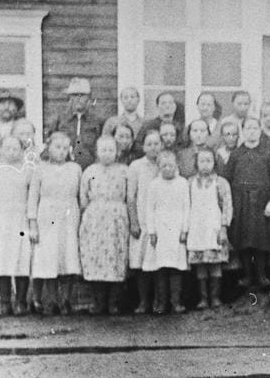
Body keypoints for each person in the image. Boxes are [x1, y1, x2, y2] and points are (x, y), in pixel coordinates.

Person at [222, 118, 270, 288]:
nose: (252, 132)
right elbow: (226, 179)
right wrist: (230, 204)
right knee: (243, 239)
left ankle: (262, 276)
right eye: (248, 128)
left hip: (261, 203)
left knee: (261, 239)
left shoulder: (268, 154)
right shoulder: (236, 155)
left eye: (255, 128)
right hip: (241, 202)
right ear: (243, 131)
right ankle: (247, 276)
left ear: (260, 131)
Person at [28, 132, 82, 316]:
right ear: (48, 148)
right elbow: (33, 198)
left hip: (69, 216)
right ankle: (51, 300)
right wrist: (33, 224)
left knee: (68, 257)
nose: (61, 151)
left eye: (65, 148)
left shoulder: (75, 168)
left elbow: (80, 196)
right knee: (49, 258)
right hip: (47, 216)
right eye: (57, 147)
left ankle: (65, 300)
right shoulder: (40, 169)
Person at [79, 135, 134, 315]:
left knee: (116, 257)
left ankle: (113, 302)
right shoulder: (90, 171)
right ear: (97, 151)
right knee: (95, 257)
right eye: (103, 150)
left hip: (117, 217)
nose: (107, 153)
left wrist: (132, 221)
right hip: (95, 218)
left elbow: (130, 197)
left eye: (111, 150)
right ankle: (99, 302)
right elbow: (83, 197)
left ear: (117, 152)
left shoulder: (125, 171)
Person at [0, 137, 31, 317]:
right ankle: (4, 303)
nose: (11, 152)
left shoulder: (27, 171)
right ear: (1, 150)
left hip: (21, 221)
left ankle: (21, 302)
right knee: (1, 261)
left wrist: (31, 223)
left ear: (21, 151)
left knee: (21, 261)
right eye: (8, 148)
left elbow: (31, 198)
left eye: (15, 148)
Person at [143, 150, 190, 314]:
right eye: (164, 166)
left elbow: (186, 207)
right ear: (159, 167)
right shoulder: (154, 185)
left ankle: (175, 302)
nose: (167, 169)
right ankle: (162, 303)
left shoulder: (182, 183)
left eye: (170, 165)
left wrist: (184, 230)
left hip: (176, 229)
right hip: (160, 230)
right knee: (161, 267)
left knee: (175, 267)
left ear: (176, 165)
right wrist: (152, 231)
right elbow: (149, 209)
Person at [187, 147, 233, 309]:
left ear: (214, 163)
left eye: (209, 161)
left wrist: (223, 228)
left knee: (215, 264)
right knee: (200, 264)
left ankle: (215, 297)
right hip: (196, 228)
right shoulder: (190, 183)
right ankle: (203, 299)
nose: (205, 164)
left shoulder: (221, 182)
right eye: (202, 161)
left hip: (213, 227)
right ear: (196, 163)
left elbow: (227, 206)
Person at [128, 129, 162, 314]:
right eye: (149, 144)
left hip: (160, 220)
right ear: (143, 147)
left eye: (156, 144)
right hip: (142, 219)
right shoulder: (136, 166)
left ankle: (159, 300)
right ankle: (143, 301)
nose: (153, 147)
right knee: (141, 262)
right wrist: (134, 221)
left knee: (158, 262)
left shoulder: (165, 164)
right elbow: (131, 196)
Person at [44, 77, 103, 170]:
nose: (78, 99)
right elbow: (48, 146)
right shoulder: (60, 120)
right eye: (74, 95)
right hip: (63, 169)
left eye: (82, 95)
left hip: (89, 169)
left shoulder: (96, 122)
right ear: (69, 98)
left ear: (89, 98)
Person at [135, 92, 183, 156]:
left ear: (175, 106)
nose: (167, 106)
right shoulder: (148, 126)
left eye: (170, 103)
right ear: (157, 106)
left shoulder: (180, 127)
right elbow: (138, 146)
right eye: (163, 103)